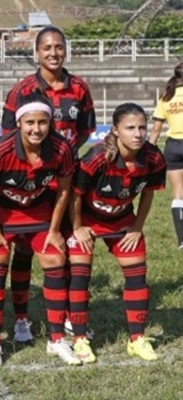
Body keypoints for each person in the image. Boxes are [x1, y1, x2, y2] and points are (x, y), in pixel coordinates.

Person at [1, 25, 97, 341]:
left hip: (65, 180)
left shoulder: (80, 88)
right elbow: (8, 135)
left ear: (65, 50)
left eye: (58, 47)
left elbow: (85, 130)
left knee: (68, 246)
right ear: (37, 52)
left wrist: (64, 154)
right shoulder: (22, 89)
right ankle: (22, 319)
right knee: (25, 252)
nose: (53, 53)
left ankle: (69, 315)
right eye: (47, 48)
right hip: (33, 184)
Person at [0, 92, 79, 366]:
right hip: (2, 211)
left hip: (37, 209)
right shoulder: (1, 149)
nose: (37, 129)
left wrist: (54, 230)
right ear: (19, 122)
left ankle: (57, 339)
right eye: (30, 122)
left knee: (55, 258)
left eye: (43, 122)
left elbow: (64, 191)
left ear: (50, 122)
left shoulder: (61, 149)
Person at [68, 103, 166, 363]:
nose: (138, 134)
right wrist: (77, 227)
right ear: (115, 130)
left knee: (137, 276)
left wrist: (136, 227)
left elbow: (147, 194)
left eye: (142, 127)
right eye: (130, 128)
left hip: (122, 222)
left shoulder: (154, 158)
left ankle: (137, 339)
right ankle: (79, 339)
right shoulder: (98, 157)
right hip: (86, 220)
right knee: (80, 275)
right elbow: (74, 195)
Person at [150, 62, 183, 249]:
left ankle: (182, 240)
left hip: (173, 147)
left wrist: (147, 151)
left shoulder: (166, 97)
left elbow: (156, 129)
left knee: (178, 193)